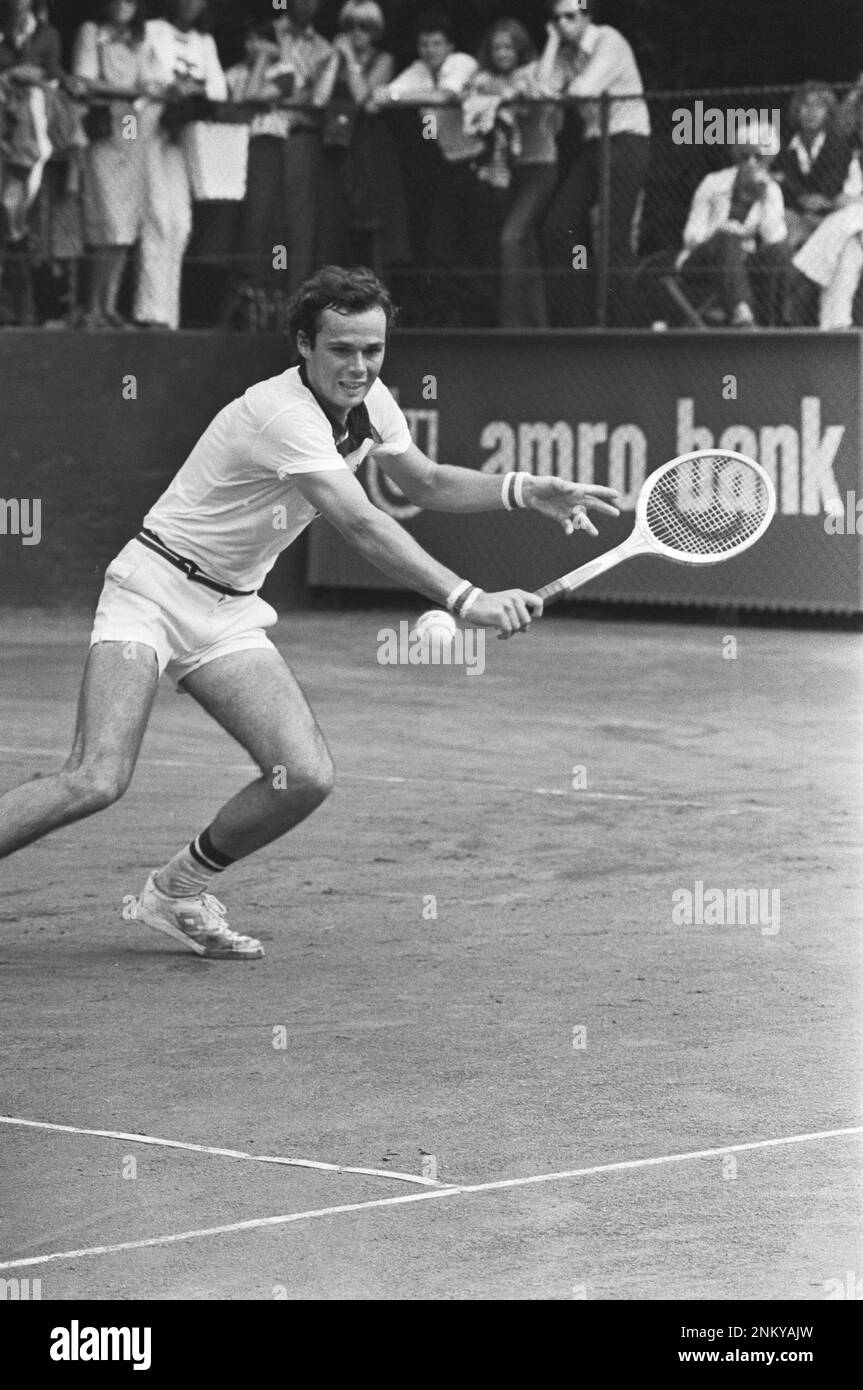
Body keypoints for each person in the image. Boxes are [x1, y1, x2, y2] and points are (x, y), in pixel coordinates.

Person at [0, 265, 619, 961]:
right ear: (303, 344)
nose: (359, 367)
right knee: (96, 778)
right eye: (342, 350)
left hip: (229, 611)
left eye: (373, 350)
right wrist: (467, 599)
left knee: (303, 777)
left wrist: (525, 488)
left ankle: (176, 892)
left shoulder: (372, 401)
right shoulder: (280, 412)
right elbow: (359, 523)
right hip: (152, 591)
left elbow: (426, 481)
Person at [537, 0, 651, 327]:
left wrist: (556, 92)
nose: (562, 23)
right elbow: (543, 87)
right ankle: (579, 321)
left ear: (587, 15)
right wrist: (552, 42)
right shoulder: (565, 50)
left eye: (570, 16)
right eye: (556, 18)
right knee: (559, 227)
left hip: (626, 139)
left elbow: (583, 90)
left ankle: (623, 327)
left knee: (614, 237)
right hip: (594, 144)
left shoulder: (608, 40)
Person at [369, 10, 485, 325]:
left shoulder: (462, 63)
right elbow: (378, 98)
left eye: (436, 44)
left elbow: (446, 95)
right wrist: (398, 94)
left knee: (481, 246)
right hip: (449, 166)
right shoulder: (421, 69)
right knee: (438, 250)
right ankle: (463, 314)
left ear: (449, 45)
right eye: (424, 44)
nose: (430, 50)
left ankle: (486, 313)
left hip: (482, 165)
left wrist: (398, 96)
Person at [135, 0, 227, 330]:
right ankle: (150, 312)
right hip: (151, 128)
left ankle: (168, 314)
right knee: (157, 216)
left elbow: (219, 88)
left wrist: (193, 88)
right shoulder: (152, 30)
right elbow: (141, 77)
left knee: (181, 223)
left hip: (183, 132)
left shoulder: (205, 42)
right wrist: (167, 89)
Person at [71, 0, 159, 329]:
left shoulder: (141, 38)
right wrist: (134, 89)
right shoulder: (92, 32)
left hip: (133, 128)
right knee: (103, 218)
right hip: (104, 126)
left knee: (125, 222)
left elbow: (151, 81)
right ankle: (91, 306)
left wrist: (147, 90)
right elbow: (85, 80)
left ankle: (109, 307)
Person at [472, 18, 561, 327]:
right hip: (506, 170)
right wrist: (502, 90)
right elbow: (480, 86)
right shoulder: (485, 78)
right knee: (526, 247)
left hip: (539, 168)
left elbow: (536, 90)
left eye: (509, 46)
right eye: (497, 47)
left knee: (511, 238)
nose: (502, 52)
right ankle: (540, 328)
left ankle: (511, 328)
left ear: (520, 49)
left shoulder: (532, 73)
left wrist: (550, 42)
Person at [314, 0, 411, 276]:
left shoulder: (384, 59)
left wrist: (352, 61)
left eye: (364, 26)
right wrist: (335, 59)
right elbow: (319, 99)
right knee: (337, 221)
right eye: (349, 25)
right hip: (337, 145)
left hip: (370, 146)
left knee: (372, 221)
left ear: (375, 30)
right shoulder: (333, 59)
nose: (356, 32)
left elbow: (364, 98)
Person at [676, 125, 790, 328]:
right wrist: (722, 232)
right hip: (703, 259)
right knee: (728, 238)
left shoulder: (771, 190)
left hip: (743, 261)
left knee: (780, 251)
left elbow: (774, 238)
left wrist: (765, 198)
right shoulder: (713, 183)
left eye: (759, 157)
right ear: (737, 156)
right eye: (745, 156)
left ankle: (774, 324)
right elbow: (691, 235)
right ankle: (742, 313)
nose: (751, 163)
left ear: (769, 159)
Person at [0, 0, 62, 323]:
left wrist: (35, 80)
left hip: (32, 136)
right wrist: (11, 75)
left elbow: (54, 80)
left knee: (23, 222)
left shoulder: (47, 34)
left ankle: (25, 314)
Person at [267, 0, 334, 298]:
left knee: (298, 222)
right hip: (264, 134)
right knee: (267, 220)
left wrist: (282, 97)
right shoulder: (270, 33)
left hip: (301, 136)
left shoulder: (324, 48)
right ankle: (263, 298)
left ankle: (294, 299)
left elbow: (318, 99)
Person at [773, 82, 854, 253]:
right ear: (797, 110)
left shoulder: (840, 146)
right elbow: (780, 180)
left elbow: (836, 180)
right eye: (806, 105)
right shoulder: (783, 146)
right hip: (795, 212)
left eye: (819, 105)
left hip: (829, 212)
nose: (811, 111)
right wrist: (802, 198)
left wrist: (820, 201)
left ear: (828, 112)